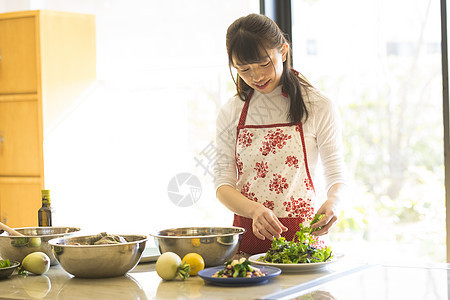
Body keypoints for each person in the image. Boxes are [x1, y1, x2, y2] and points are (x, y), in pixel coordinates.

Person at [214, 13, 347, 255]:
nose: (256, 76)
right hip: (248, 243)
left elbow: (336, 172)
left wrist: (334, 202)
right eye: (244, 69)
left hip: (303, 246)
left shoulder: (317, 105)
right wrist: (254, 211)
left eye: (264, 64)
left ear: (283, 51)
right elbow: (223, 185)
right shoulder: (231, 110)